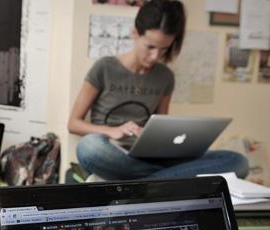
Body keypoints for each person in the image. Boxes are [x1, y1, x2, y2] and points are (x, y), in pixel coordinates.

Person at [68, 0, 248, 180]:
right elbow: (74, 124)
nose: (156, 56)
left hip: (150, 159)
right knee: (89, 147)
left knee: (237, 161)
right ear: (135, 33)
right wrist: (111, 131)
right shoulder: (104, 68)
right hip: (113, 154)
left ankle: (147, 183)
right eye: (150, 47)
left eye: (164, 49)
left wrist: (176, 146)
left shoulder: (165, 77)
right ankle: (162, 181)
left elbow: (163, 128)